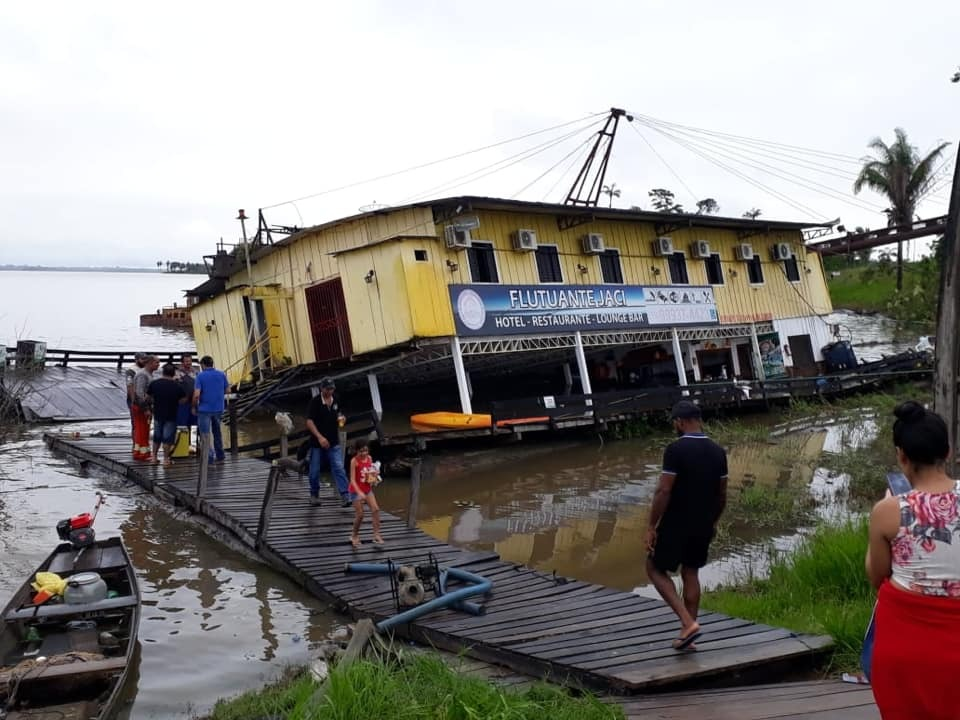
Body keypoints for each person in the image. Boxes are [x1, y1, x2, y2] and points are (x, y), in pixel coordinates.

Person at [866, 401, 960, 718]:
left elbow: (876, 575)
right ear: (948, 452)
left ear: (901, 456)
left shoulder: (888, 511)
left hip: (907, 649)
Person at [645, 400, 727, 650]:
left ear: (679, 422)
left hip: (676, 521)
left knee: (654, 568)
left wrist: (651, 525)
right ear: (698, 420)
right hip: (704, 522)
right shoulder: (717, 451)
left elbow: (664, 490)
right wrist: (712, 522)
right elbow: (721, 495)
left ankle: (687, 622)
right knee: (691, 572)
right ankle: (687, 635)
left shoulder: (675, 450)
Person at [305, 377, 350, 507]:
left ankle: (345, 495)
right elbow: (309, 421)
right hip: (317, 443)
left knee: (339, 468)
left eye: (332, 388)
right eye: (327, 389)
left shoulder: (336, 399)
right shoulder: (315, 402)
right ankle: (314, 494)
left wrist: (342, 418)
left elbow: (340, 413)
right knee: (314, 471)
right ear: (322, 388)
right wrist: (319, 437)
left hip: (333, 441)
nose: (330, 391)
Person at [192, 355, 230, 464]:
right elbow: (228, 390)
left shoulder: (200, 376)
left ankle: (209, 458)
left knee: (205, 434)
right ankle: (220, 454)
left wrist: (194, 406)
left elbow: (196, 395)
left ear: (203, 365)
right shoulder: (221, 374)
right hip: (218, 408)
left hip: (204, 409)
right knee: (217, 432)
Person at [347, 439, 384, 548]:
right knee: (360, 515)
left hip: (367, 489)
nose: (364, 453)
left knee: (376, 509)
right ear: (357, 451)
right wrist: (359, 492)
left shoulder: (369, 458)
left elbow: (369, 474)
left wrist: (375, 475)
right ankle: (354, 535)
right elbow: (352, 479)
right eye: (361, 451)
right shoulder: (354, 461)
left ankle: (376, 534)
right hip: (355, 491)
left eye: (366, 451)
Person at [148, 363, 186, 467]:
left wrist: (153, 403)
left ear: (163, 372)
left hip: (158, 413)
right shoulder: (177, 386)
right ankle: (165, 459)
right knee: (167, 438)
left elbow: (148, 397)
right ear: (173, 373)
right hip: (171, 414)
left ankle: (154, 457)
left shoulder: (154, 383)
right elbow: (183, 400)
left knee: (157, 436)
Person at [131, 355, 159, 461]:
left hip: (146, 406)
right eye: (156, 362)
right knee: (141, 429)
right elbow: (139, 394)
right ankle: (141, 454)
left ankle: (143, 452)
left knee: (145, 430)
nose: (158, 365)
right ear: (150, 363)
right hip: (140, 407)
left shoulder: (149, 374)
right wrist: (146, 409)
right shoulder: (142, 375)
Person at [125, 352, 146, 452]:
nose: (144, 361)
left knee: (144, 423)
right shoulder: (131, 371)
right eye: (142, 359)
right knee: (135, 423)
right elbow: (129, 385)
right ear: (136, 359)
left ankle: (142, 444)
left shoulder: (145, 369)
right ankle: (135, 445)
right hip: (134, 400)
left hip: (144, 399)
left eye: (145, 359)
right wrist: (133, 401)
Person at [175, 353, 198, 445]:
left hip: (194, 402)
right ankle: (181, 445)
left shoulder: (196, 372)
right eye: (186, 361)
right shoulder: (177, 373)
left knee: (195, 425)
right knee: (181, 424)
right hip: (182, 403)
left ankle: (193, 445)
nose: (188, 363)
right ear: (182, 362)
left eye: (190, 361)